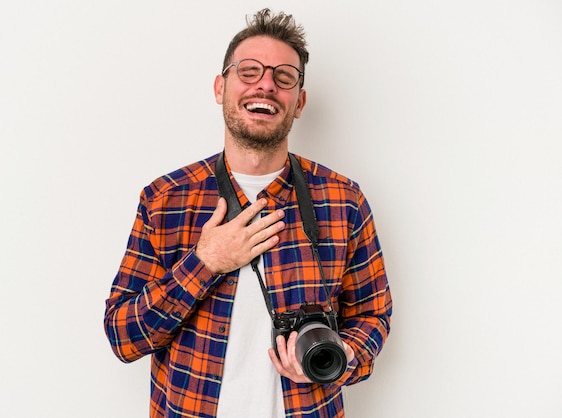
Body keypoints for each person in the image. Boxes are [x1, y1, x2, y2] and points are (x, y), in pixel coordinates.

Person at [104, 8, 392, 418]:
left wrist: (343, 355)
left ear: (300, 102)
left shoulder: (343, 201)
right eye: (250, 71)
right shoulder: (166, 199)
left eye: (284, 78)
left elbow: (373, 314)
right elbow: (123, 335)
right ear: (220, 87)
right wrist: (205, 263)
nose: (267, 86)